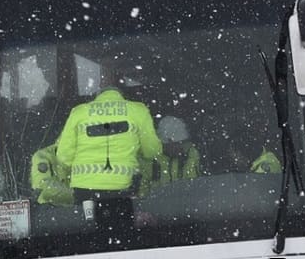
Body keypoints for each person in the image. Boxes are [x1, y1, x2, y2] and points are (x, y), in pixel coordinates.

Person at [55, 87, 162, 228]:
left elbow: (63, 157)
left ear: (98, 96)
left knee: (88, 236)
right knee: (122, 233)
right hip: (122, 188)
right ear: (121, 96)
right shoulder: (138, 111)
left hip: (85, 190)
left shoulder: (79, 112)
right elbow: (152, 151)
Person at [144, 115, 201, 192]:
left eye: (182, 142)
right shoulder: (149, 159)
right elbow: (142, 194)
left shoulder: (191, 154)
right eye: (177, 143)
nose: (181, 147)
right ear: (165, 142)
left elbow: (198, 188)